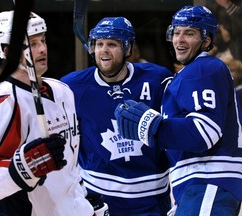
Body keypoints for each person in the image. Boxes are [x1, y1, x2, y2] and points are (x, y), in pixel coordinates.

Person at [115, 6, 242, 215]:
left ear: (207, 41)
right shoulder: (191, 74)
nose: (179, 39)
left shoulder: (202, 68)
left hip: (209, 180)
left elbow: (204, 133)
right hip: (200, 185)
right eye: (176, 32)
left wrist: (151, 126)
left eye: (189, 33)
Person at [0, 10, 94, 216]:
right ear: (8, 50)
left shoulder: (62, 91)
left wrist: (82, 201)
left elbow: (70, 164)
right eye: (33, 43)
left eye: (43, 40)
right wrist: (23, 168)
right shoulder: (0, 103)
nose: (42, 49)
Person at [61, 17, 173, 216]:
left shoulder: (157, 80)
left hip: (152, 199)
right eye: (99, 44)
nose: (104, 50)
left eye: (112, 44)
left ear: (128, 49)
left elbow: (173, 130)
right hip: (97, 198)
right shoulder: (72, 87)